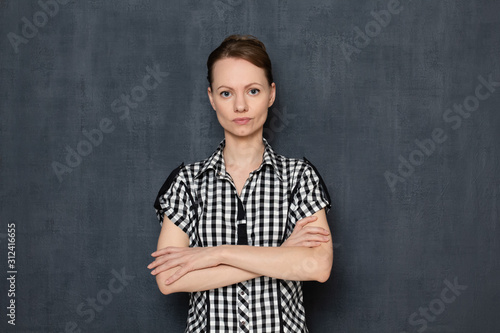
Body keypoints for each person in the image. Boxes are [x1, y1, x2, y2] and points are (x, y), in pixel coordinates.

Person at [148, 34, 333, 333]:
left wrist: (216, 254)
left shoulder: (300, 177)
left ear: (271, 94)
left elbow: (317, 267)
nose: (240, 106)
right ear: (211, 98)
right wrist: (282, 254)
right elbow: (169, 279)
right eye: (226, 93)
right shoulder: (187, 183)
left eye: (253, 90)